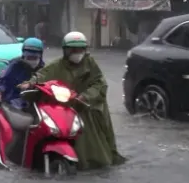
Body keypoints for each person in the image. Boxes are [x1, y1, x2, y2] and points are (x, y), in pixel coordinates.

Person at [19, 31, 126, 170]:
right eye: (73, 49)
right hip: (67, 104)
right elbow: (43, 74)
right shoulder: (58, 65)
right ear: (65, 50)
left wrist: (85, 96)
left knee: (89, 137)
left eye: (81, 49)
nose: (77, 52)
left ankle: (93, 163)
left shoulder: (90, 64)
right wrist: (30, 83)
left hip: (87, 106)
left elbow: (100, 84)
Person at [0, 37, 44, 155]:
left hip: (34, 100)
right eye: (29, 57)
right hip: (13, 98)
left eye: (34, 57)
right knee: (1, 114)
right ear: (24, 55)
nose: (32, 60)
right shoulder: (14, 64)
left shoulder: (44, 69)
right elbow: (3, 80)